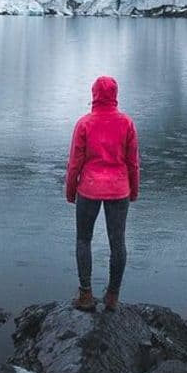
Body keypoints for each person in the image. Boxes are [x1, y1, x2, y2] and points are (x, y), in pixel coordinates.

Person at [64, 76, 140, 313]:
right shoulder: (126, 123)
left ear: (94, 95)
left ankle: (86, 294)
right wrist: (134, 191)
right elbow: (133, 163)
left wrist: (70, 190)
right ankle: (112, 296)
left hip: (89, 188)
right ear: (115, 95)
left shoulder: (84, 124)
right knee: (118, 242)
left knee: (83, 239)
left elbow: (74, 163)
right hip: (119, 189)